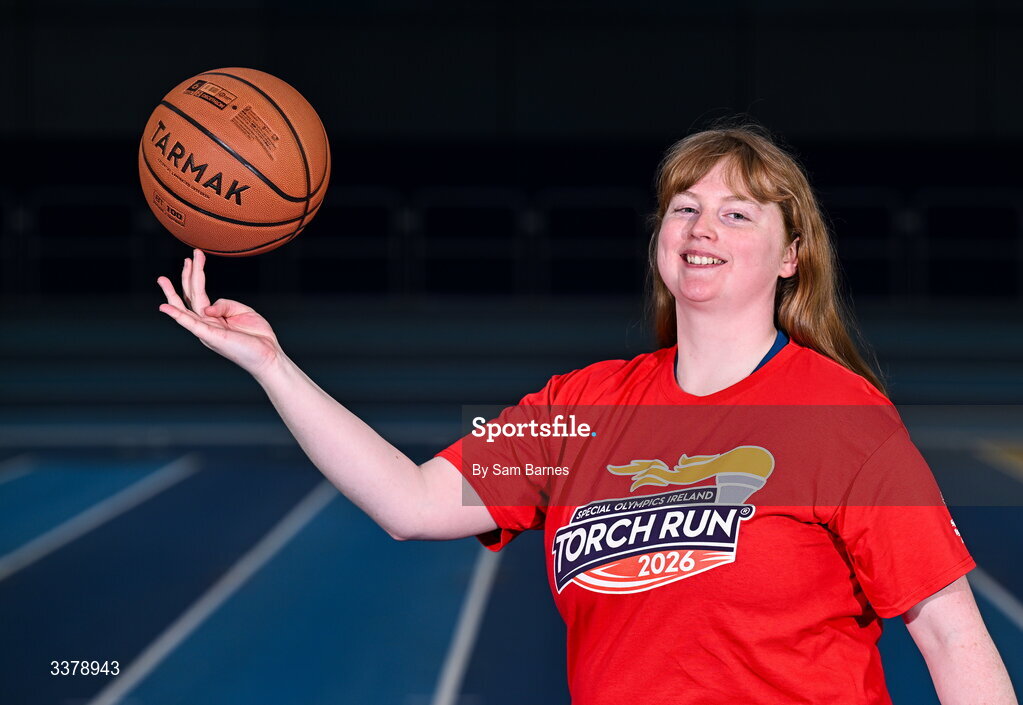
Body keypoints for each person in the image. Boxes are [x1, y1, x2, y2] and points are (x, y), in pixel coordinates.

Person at [157, 125, 1017, 704]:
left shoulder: (840, 416)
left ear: (791, 256)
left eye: (734, 211)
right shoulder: (580, 407)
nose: (699, 225)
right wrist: (272, 364)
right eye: (683, 206)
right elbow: (410, 502)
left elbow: (950, 637)